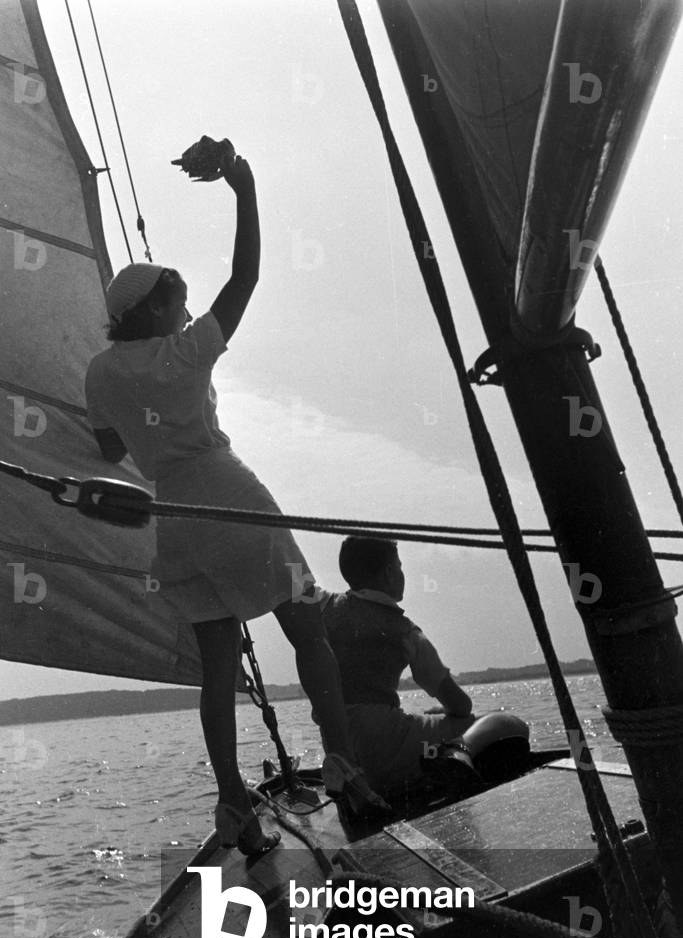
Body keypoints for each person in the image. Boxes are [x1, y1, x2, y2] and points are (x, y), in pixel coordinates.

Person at [85, 137, 388, 857]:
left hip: (175, 518)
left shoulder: (101, 372)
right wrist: (243, 184)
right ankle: (342, 763)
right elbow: (245, 275)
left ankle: (232, 806)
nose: (186, 308)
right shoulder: (185, 351)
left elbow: (105, 450)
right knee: (307, 628)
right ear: (155, 308)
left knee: (217, 669)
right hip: (231, 497)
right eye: (177, 299)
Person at [319, 536, 530, 798]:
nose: (402, 572)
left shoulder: (324, 608)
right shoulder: (406, 632)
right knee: (507, 724)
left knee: (429, 717)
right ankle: (457, 752)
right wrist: (449, 712)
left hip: (341, 751)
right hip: (385, 749)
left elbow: (298, 586)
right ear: (389, 573)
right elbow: (461, 706)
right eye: (399, 566)